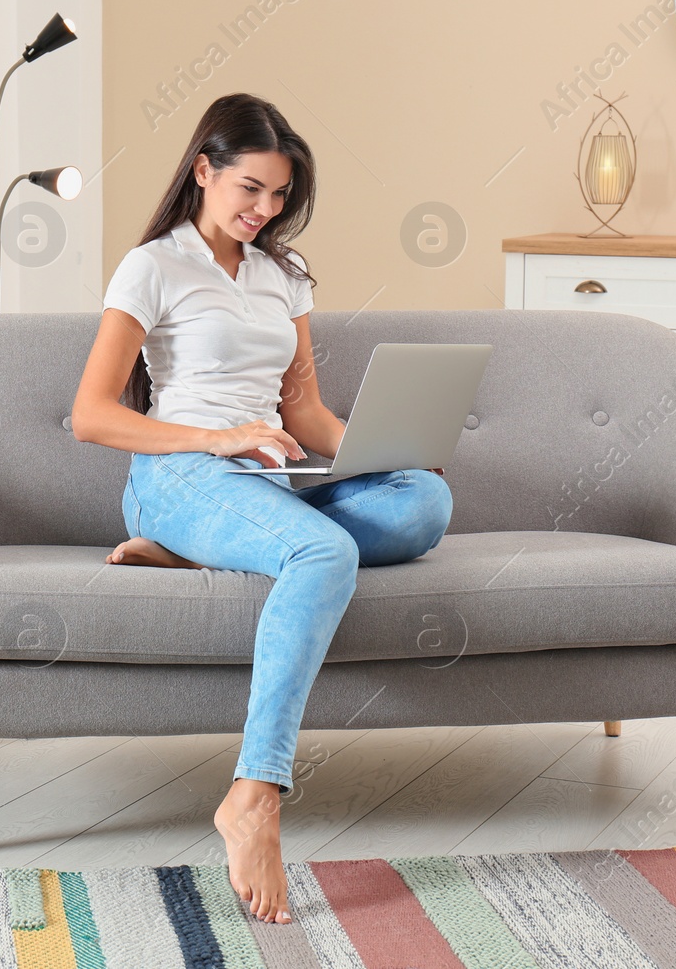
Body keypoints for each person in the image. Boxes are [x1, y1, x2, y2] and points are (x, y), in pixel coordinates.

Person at [69, 92, 453, 925]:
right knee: (324, 554)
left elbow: (305, 414)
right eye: (250, 189)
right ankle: (255, 792)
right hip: (179, 476)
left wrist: (382, 448)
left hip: (268, 481)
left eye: (278, 195)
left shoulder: (284, 273)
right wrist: (215, 438)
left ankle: (215, 548)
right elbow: (92, 413)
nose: (263, 210)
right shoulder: (153, 266)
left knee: (425, 501)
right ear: (203, 170)